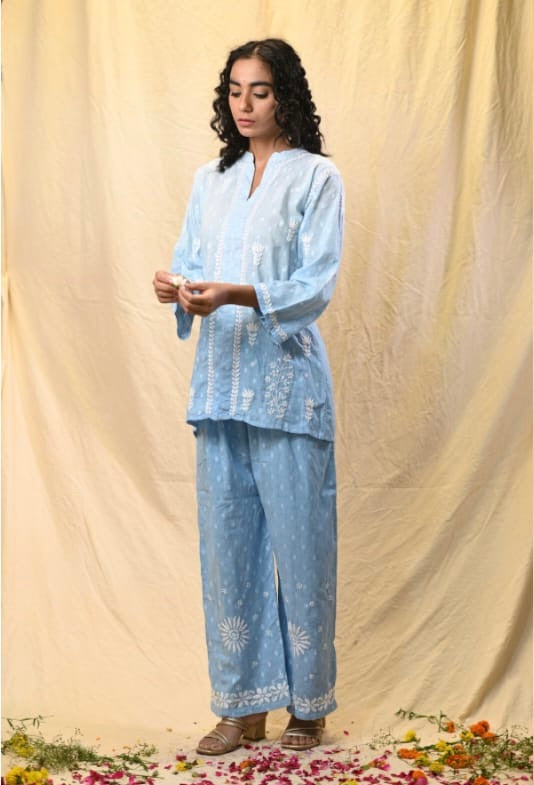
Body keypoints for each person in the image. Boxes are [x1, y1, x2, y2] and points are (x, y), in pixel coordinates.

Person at [153, 38, 344, 755]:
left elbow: (315, 283)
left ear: (285, 95)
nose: (244, 104)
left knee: (302, 549)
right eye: (235, 91)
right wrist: (176, 287)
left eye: (259, 91)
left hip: (289, 391)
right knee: (228, 552)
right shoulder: (211, 179)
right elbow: (191, 261)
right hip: (220, 388)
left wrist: (236, 293)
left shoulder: (317, 177)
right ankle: (241, 706)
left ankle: (308, 705)